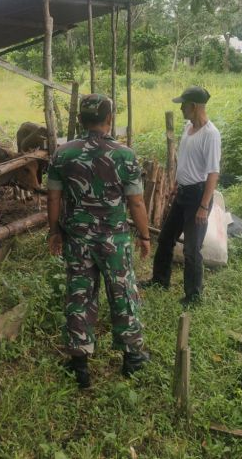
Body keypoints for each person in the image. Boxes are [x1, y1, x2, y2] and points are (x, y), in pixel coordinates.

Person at [47, 94, 152, 389]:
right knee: (122, 293)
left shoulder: (63, 154)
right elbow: (137, 202)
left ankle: (79, 365)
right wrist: (144, 236)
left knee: (79, 295)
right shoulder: (125, 156)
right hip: (114, 241)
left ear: (81, 119)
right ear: (109, 119)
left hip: (77, 239)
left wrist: (54, 231)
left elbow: (53, 197)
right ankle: (132, 358)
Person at [142, 86, 221, 307]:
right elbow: (185, 161)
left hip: (198, 196)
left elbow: (213, 173)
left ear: (194, 107)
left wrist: (204, 207)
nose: (181, 109)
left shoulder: (211, 135)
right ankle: (160, 280)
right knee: (166, 238)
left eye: (183, 105)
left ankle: (193, 296)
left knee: (191, 249)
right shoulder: (188, 128)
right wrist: (177, 183)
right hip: (183, 192)